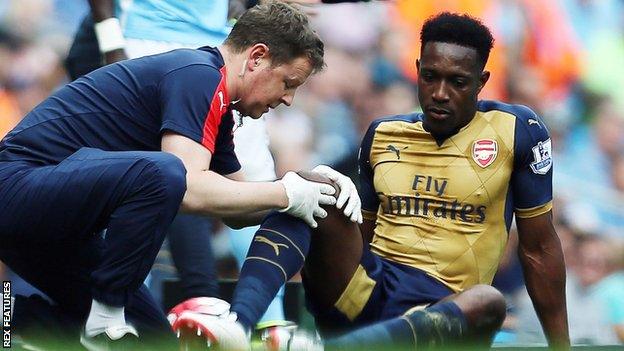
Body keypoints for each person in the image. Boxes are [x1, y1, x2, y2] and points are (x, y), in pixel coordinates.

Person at [192, 12, 570, 351]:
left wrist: (560, 346)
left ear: (481, 81)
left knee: (489, 301)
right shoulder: (383, 134)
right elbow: (361, 236)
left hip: (445, 312)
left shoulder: (518, 131)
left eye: (457, 82)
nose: (440, 93)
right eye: (430, 77)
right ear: (418, 68)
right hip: (370, 294)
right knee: (310, 186)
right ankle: (237, 326)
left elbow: (539, 249)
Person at [0, 2, 362, 350]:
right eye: (288, 83)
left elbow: (238, 209)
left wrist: (310, 186)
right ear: (256, 58)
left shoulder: (217, 107)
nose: (288, 100)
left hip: (59, 225)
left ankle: (15, 323)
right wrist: (287, 193)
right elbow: (186, 187)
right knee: (166, 171)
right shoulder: (198, 75)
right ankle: (106, 318)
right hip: (18, 187)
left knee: (154, 341)